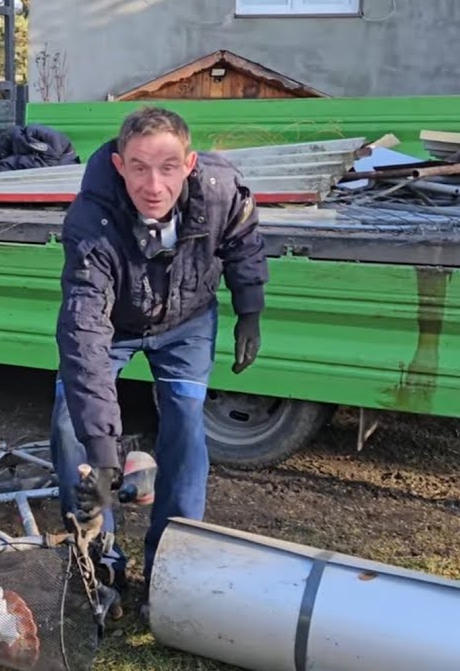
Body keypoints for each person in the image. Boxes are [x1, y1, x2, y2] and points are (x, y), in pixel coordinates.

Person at [53, 106, 268, 613]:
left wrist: (250, 309)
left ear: (189, 164)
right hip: (114, 326)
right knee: (70, 424)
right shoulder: (91, 219)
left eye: (168, 167)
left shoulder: (220, 191)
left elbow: (244, 243)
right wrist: (103, 453)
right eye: (140, 168)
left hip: (187, 320)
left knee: (187, 426)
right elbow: (84, 330)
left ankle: (172, 564)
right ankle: (98, 558)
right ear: (118, 163)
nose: (154, 184)